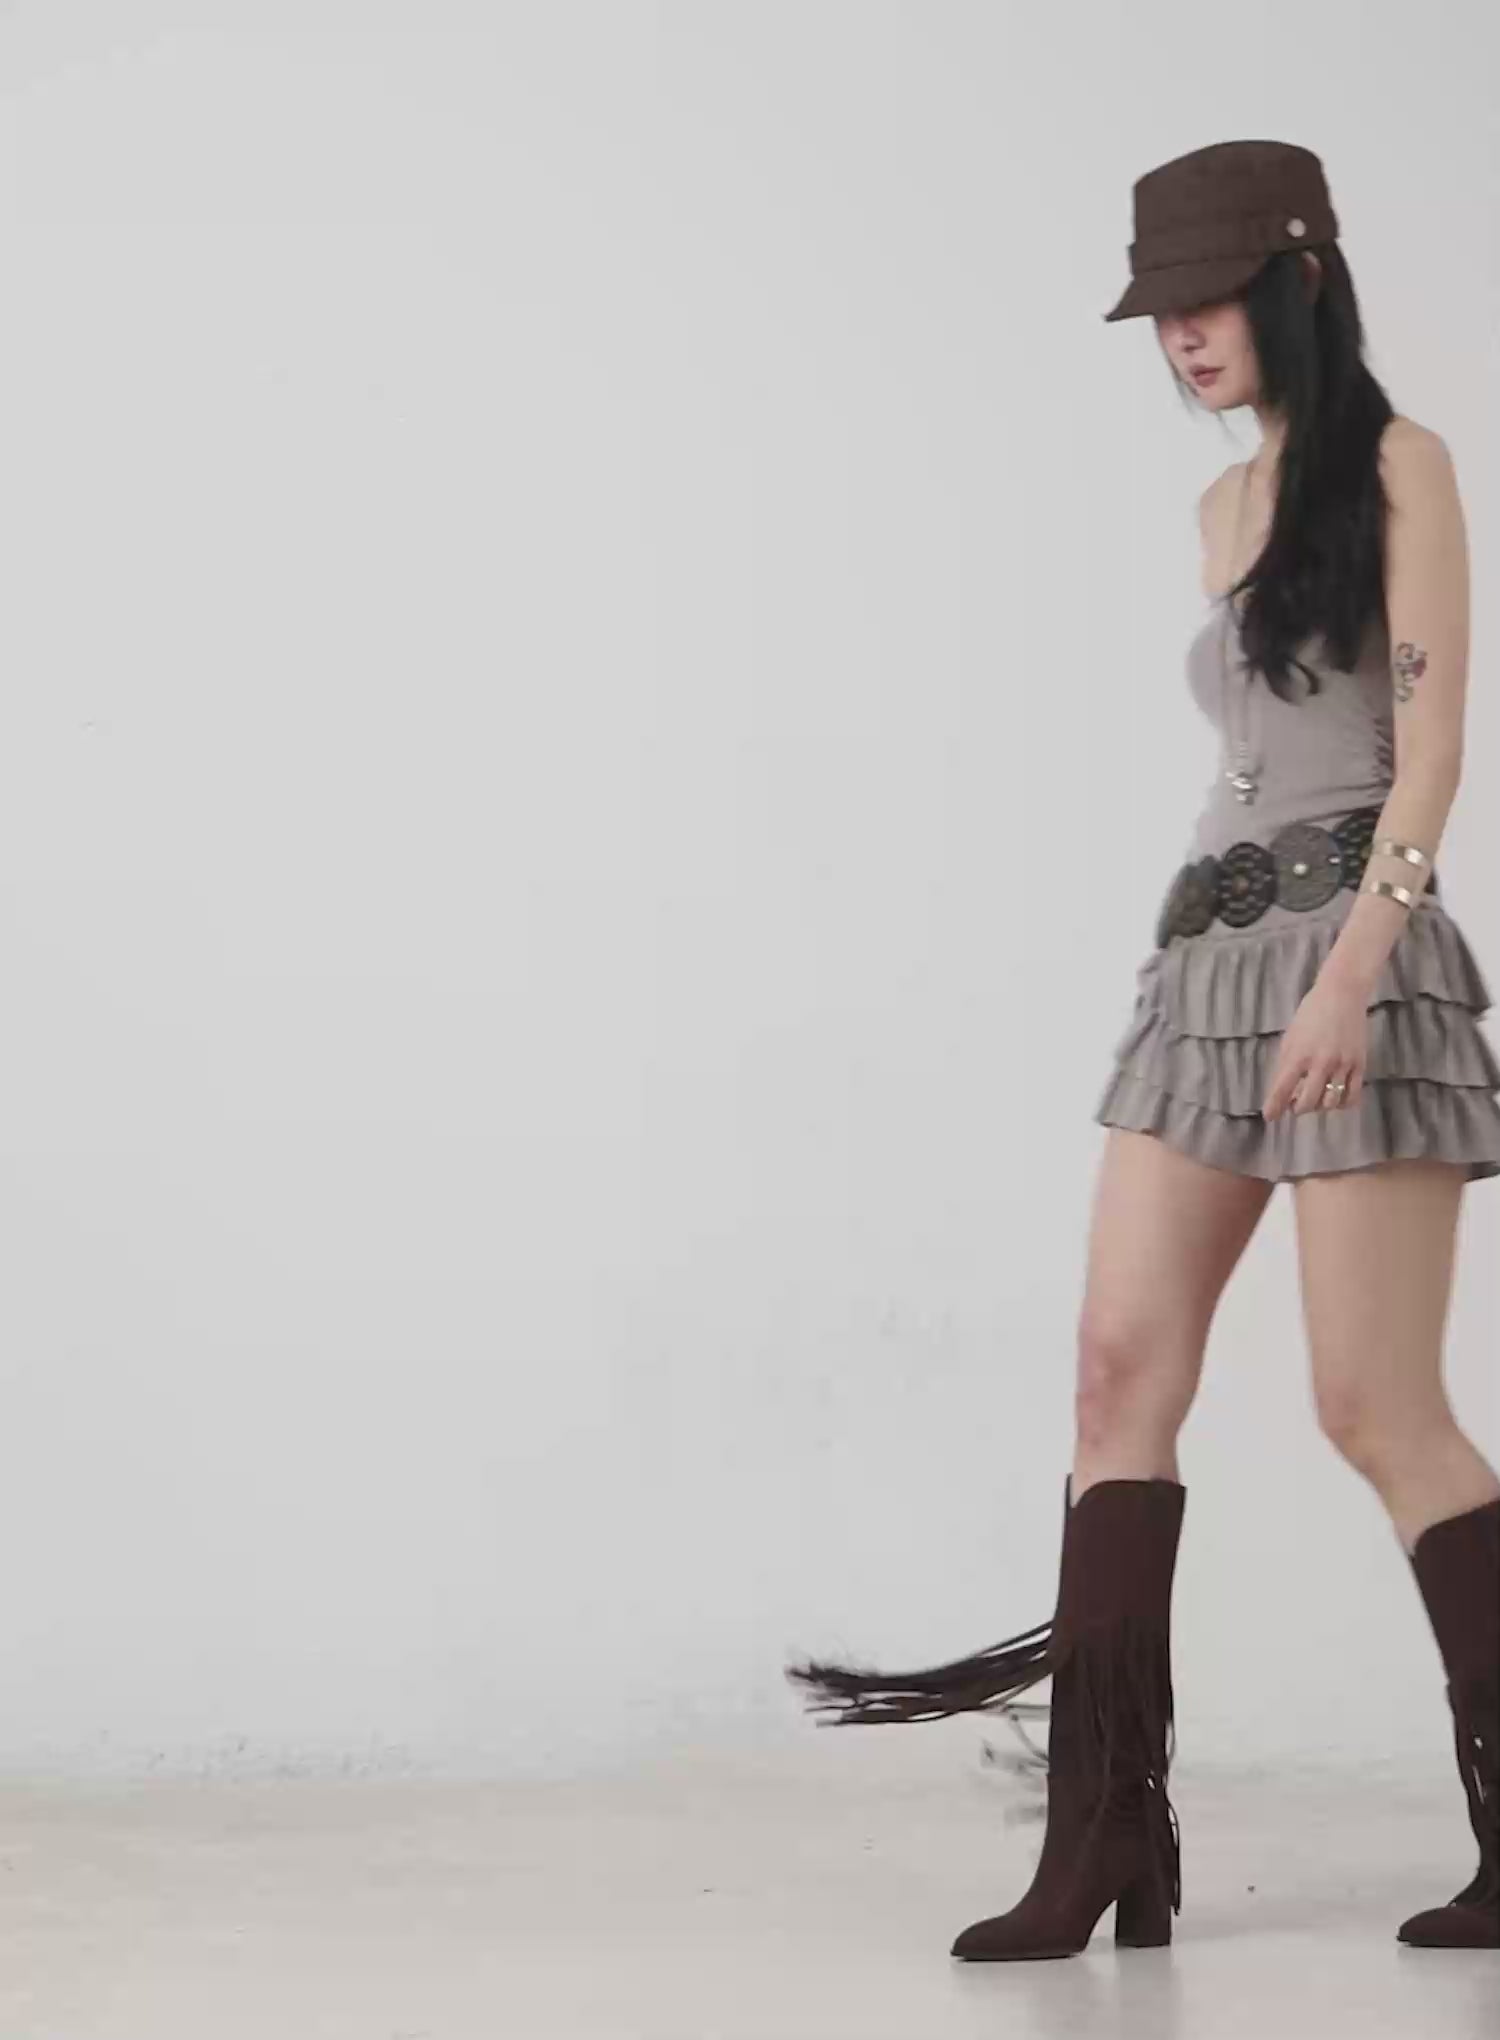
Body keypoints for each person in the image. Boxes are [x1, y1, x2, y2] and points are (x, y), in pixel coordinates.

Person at [784, 139, 1500, 1961]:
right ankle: (1105, 1836)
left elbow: (1427, 757)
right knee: (1115, 1380)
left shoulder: (1400, 467)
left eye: (1210, 299)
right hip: (1203, 970)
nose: (1182, 335)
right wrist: (1207, 968)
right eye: (1161, 311)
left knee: (1375, 1408)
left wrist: (1352, 975)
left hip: (1360, 964)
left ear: (1300, 281)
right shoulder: (1221, 506)